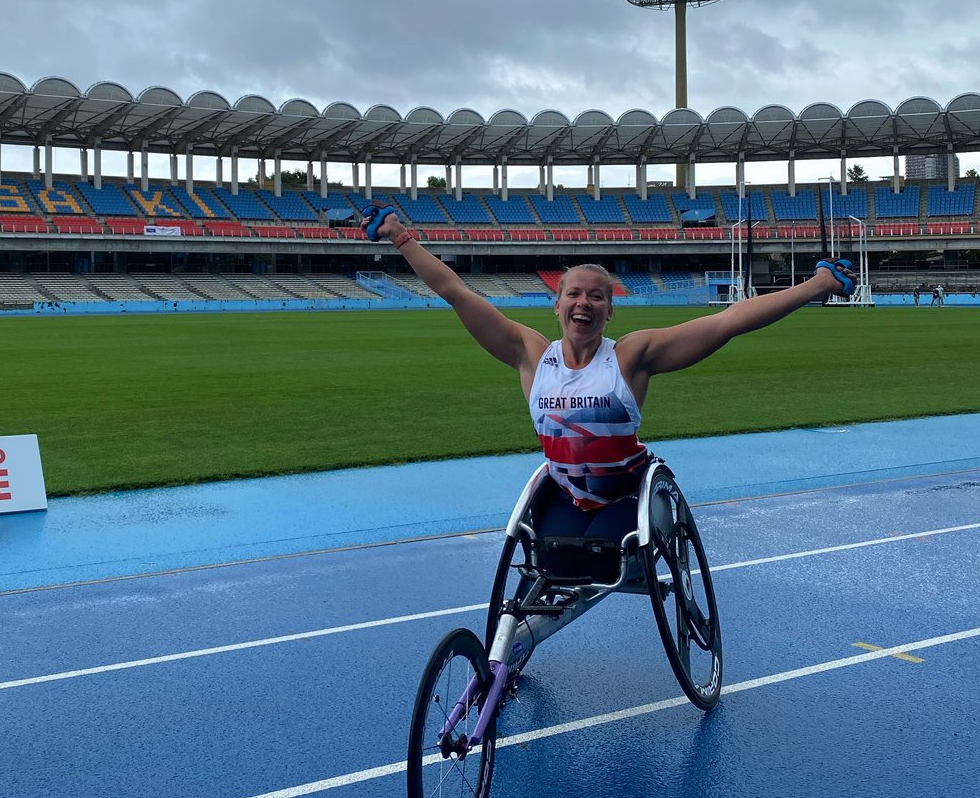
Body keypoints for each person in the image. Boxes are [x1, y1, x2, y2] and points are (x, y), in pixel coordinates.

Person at [361, 201, 856, 555]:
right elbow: (456, 291)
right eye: (573, 294)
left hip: (626, 497)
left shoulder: (632, 357)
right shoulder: (530, 355)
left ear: (609, 311)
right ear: (556, 306)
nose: (584, 303)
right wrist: (401, 237)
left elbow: (728, 321)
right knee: (543, 557)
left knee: (605, 553)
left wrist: (817, 284)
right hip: (566, 497)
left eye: (596, 296)